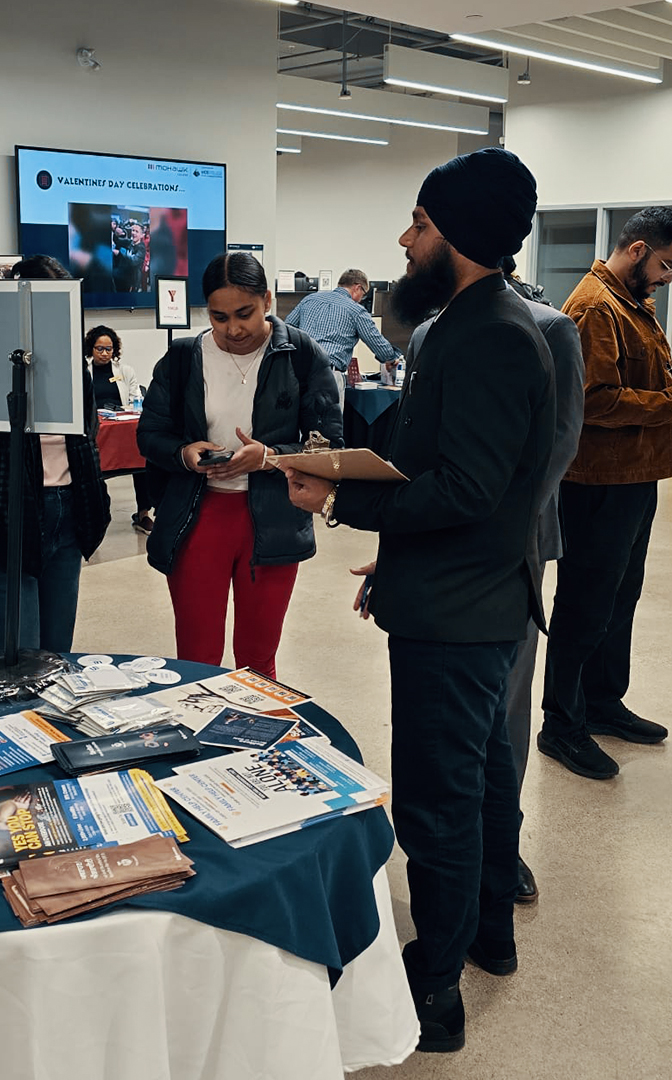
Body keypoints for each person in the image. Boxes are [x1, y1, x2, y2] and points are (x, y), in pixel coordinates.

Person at [284, 148, 555, 1053]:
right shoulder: (479, 321)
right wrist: (394, 557)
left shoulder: (488, 335)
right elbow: (478, 487)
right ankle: (486, 938)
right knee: (482, 783)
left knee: (440, 803)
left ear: (463, 235)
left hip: (458, 619)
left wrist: (344, 501)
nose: (405, 241)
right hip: (465, 594)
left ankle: (434, 992)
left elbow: (467, 489)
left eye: (422, 225)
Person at [407, 265, 585, 905]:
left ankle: (500, 851)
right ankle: (456, 853)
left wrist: (498, 536)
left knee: (504, 709)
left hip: (508, 553)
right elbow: (422, 456)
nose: (408, 242)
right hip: (435, 558)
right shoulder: (428, 333)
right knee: (447, 724)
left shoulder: (551, 329)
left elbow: (558, 448)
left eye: (421, 226)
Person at [137, 250, 341, 679]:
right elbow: (150, 434)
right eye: (218, 316)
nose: (233, 329)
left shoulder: (301, 354)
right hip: (197, 519)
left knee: (258, 656)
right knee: (196, 657)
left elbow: (329, 446)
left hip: (274, 521)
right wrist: (184, 453)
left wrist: (268, 457)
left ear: (267, 300)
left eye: (244, 313)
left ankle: (255, 740)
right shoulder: (182, 358)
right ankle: (197, 741)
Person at [538, 206, 672, 780]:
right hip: (595, 483)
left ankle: (602, 703)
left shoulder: (634, 304)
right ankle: (561, 725)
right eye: (666, 265)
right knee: (586, 605)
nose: (668, 278)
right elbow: (594, 400)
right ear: (638, 249)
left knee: (620, 601)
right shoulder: (594, 306)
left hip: (634, 477)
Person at [0, 255, 110, 656]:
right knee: (11, 663)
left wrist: (90, 500)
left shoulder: (75, 374)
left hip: (65, 517)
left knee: (54, 657)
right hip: (1, 524)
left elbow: (86, 436)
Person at [285, 268, 402, 402]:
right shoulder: (356, 310)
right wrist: (391, 358)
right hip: (327, 376)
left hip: (298, 373)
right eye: (363, 295)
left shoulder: (309, 299)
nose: (361, 300)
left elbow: (287, 329)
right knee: (328, 422)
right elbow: (377, 343)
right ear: (357, 288)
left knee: (298, 421)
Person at [84, 324, 154, 534]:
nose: (105, 353)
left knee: (141, 458)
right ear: (91, 349)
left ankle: (143, 513)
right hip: (95, 428)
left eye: (109, 349)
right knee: (95, 471)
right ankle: (94, 517)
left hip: (122, 425)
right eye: (100, 349)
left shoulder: (125, 371)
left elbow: (135, 398)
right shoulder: (83, 371)